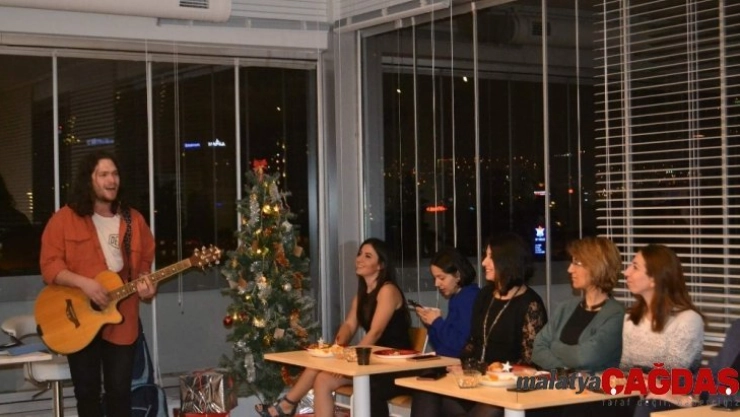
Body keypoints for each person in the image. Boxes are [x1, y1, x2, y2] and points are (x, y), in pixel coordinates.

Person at [39, 151, 156, 417]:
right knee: (87, 393)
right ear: (88, 180)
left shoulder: (134, 220)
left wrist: (147, 288)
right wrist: (85, 284)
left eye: (114, 174)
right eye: (103, 174)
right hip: (78, 317)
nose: (111, 180)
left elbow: (143, 266)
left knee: (120, 393)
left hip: (122, 318)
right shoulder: (64, 219)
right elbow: (49, 266)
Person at [255, 238, 411, 417]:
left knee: (324, 372)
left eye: (368, 256)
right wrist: (337, 348)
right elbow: (349, 325)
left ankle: (286, 406)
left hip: (391, 366)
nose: (359, 259)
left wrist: (348, 359)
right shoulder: (362, 294)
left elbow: (376, 332)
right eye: (360, 254)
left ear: (381, 265)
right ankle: (287, 405)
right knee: (322, 378)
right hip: (371, 361)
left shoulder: (388, 290)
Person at [410, 232, 547, 417]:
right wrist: (463, 365)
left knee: (485, 410)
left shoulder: (530, 304)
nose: (483, 262)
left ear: (507, 261)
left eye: (490, 257)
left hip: (507, 390)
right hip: (478, 383)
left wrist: (483, 370)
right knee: (426, 391)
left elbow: (530, 363)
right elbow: (472, 343)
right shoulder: (485, 295)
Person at [619, 244, 705, 417]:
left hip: (675, 399)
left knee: (645, 405)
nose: (626, 272)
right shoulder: (631, 318)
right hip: (638, 391)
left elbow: (671, 376)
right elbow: (626, 369)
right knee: (586, 404)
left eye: (635, 267)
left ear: (655, 279)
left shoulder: (688, 319)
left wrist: (638, 380)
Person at [532, 236, 624, 373]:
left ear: (597, 266)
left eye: (577, 263)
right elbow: (537, 349)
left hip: (597, 386)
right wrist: (565, 371)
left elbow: (584, 357)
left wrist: (554, 345)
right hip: (560, 383)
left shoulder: (616, 314)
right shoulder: (565, 308)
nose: (570, 269)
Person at [645, 319, 740, 409]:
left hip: (719, 406)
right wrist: (664, 383)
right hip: (708, 401)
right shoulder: (737, 328)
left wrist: (689, 401)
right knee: (650, 403)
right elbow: (711, 373)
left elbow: (732, 399)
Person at [413, 247, 480, 357]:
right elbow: (442, 347)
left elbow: (460, 345)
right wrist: (431, 324)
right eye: (434, 278)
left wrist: (436, 322)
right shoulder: (456, 297)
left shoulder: (469, 297)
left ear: (457, 275)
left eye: (442, 278)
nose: (436, 284)